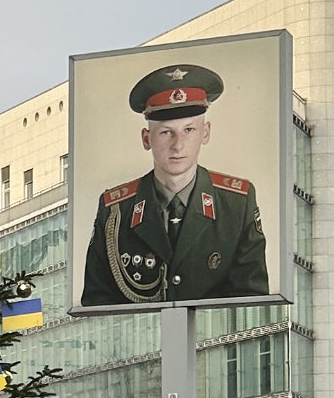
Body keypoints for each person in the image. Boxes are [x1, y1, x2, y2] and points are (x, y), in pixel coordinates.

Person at [80, 62, 270, 308]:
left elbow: (252, 301)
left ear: (206, 133)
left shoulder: (237, 202)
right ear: (146, 139)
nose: (178, 145)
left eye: (189, 130)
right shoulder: (116, 209)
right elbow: (97, 304)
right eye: (166, 133)